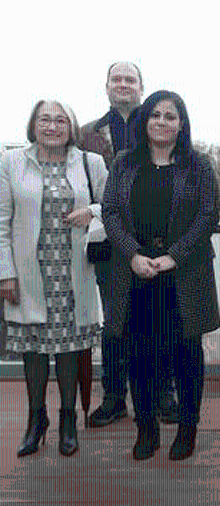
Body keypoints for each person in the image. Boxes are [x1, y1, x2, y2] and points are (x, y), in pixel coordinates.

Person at [102, 90, 220, 461]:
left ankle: (187, 428)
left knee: (186, 356)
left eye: (171, 116)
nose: (162, 122)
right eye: (156, 115)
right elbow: (109, 213)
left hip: (184, 275)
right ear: (145, 121)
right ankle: (147, 429)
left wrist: (173, 257)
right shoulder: (124, 162)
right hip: (135, 274)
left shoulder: (198, 164)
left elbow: (208, 215)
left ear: (181, 124)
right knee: (139, 356)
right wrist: (133, 254)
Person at [1, 100, 107, 457]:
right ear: (33, 124)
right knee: (32, 350)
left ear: (71, 126)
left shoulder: (90, 162)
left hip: (73, 270)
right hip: (30, 272)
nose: (53, 126)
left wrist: (90, 211)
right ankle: (36, 420)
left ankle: (67, 420)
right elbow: (1, 223)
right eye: (45, 119)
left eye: (61, 120)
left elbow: (113, 206)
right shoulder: (11, 162)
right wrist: (5, 274)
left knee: (68, 349)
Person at [80, 61, 180, 428]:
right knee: (116, 323)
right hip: (109, 243)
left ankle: (164, 395)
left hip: (159, 243)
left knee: (164, 319)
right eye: (117, 79)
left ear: (141, 86)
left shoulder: (159, 124)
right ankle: (114, 397)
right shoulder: (86, 133)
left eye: (130, 79)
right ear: (106, 85)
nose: (124, 84)